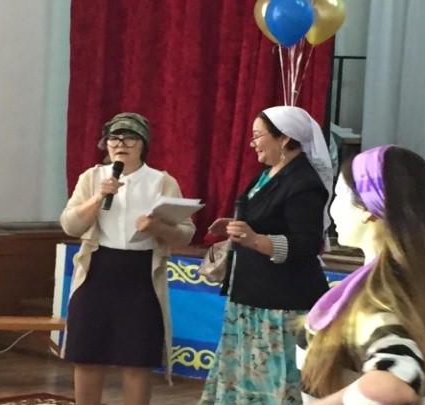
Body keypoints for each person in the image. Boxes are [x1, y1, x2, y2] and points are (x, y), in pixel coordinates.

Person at [199, 106, 333, 404]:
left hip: (280, 305)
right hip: (251, 296)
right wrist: (235, 227)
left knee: (275, 385)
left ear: (284, 138)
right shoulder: (267, 174)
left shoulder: (304, 183)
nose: (252, 143)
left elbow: (306, 244)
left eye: (258, 135)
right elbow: (264, 220)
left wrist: (256, 239)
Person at [60, 112, 196, 405]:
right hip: (96, 272)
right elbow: (70, 225)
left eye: (130, 138)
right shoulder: (92, 177)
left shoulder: (162, 181)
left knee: (136, 361)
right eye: (114, 138)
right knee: (86, 357)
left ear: (143, 144)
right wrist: (98, 197)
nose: (121, 144)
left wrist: (158, 227)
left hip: (140, 277)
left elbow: (186, 234)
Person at [297, 145, 425, 404]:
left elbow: (392, 385)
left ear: (367, 209)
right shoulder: (411, 282)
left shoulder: (379, 299)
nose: (332, 209)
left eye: (338, 195)